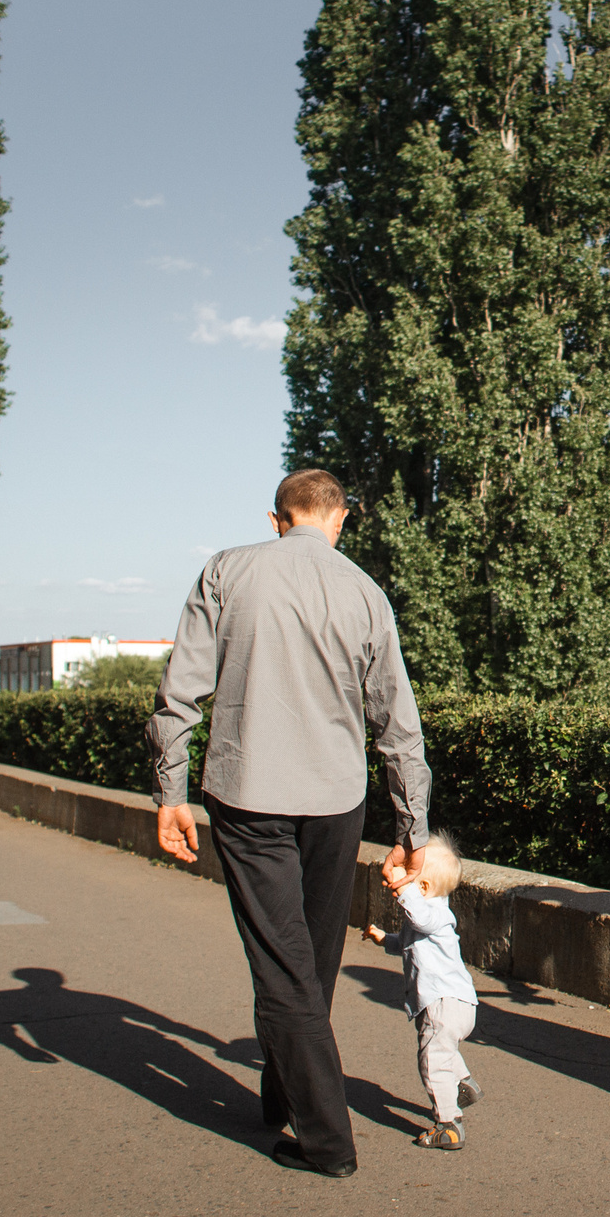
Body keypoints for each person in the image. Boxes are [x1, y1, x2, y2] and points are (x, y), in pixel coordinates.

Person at [148, 469, 433, 1180]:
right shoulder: (366, 592)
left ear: (278, 519)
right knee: (311, 962)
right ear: (340, 520)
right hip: (336, 801)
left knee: (282, 963)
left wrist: (170, 793)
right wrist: (412, 825)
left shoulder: (226, 570)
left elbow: (179, 690)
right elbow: (398, 722)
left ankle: (327, 1138)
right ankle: (282, 1095)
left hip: (248, 794)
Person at [362, 834, 483, 1151]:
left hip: (444, 1005)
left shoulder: (435, 915)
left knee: (431, 1060)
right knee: (442, 1052)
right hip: (454, 1004)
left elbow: (419, 916)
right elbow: (405, 943)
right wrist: (381, 939)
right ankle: (462, 1083)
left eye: (411, 877)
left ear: (425, 889)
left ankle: (449, 1125)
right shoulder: (423, 921)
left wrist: (403, 886)